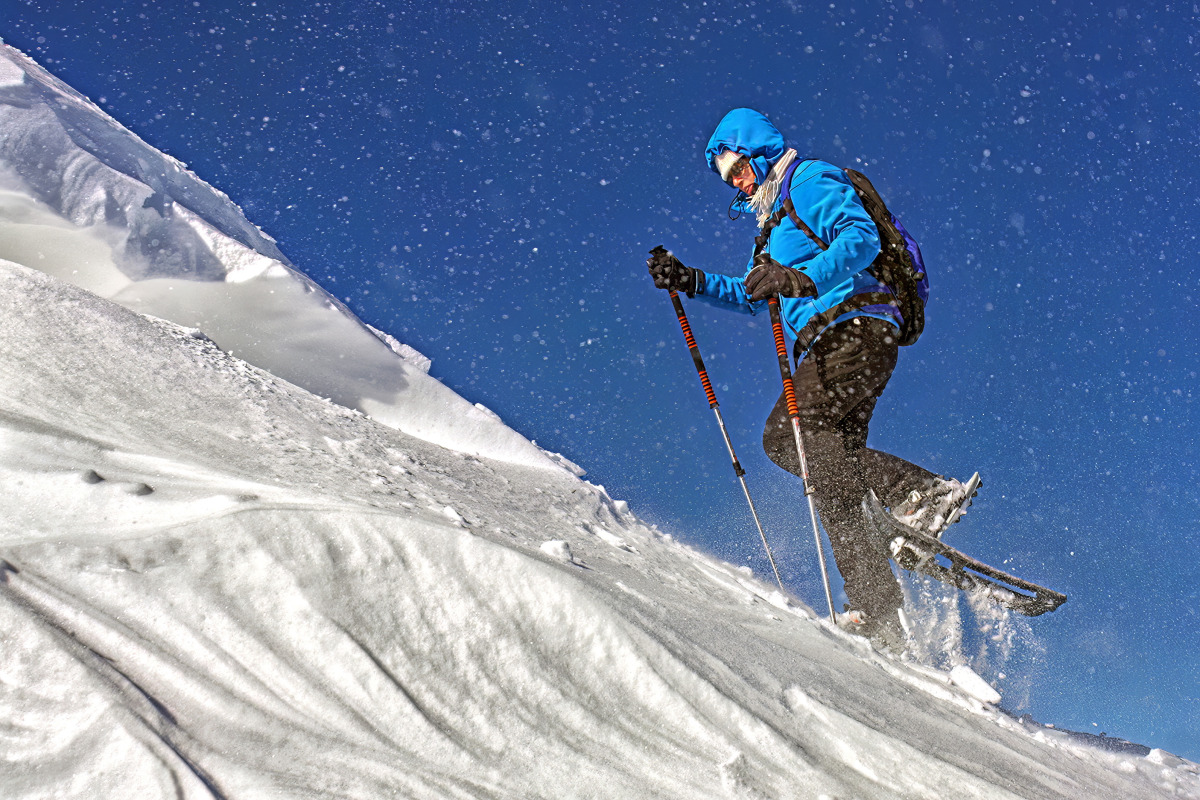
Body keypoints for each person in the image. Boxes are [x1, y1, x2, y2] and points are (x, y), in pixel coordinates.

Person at [647, 108, 976, 648]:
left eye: (737, 167)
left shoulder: (808, 180)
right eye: (727, 177)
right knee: (829, 477)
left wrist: (803, 276)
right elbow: (756, 294)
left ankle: (920, 492)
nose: (736, 181)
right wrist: (691, 279)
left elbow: (860, 239)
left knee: (786, 437)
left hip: (857, 328)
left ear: (757, 150)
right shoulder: (769, 226)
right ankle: (877, 610)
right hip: (829, 341)